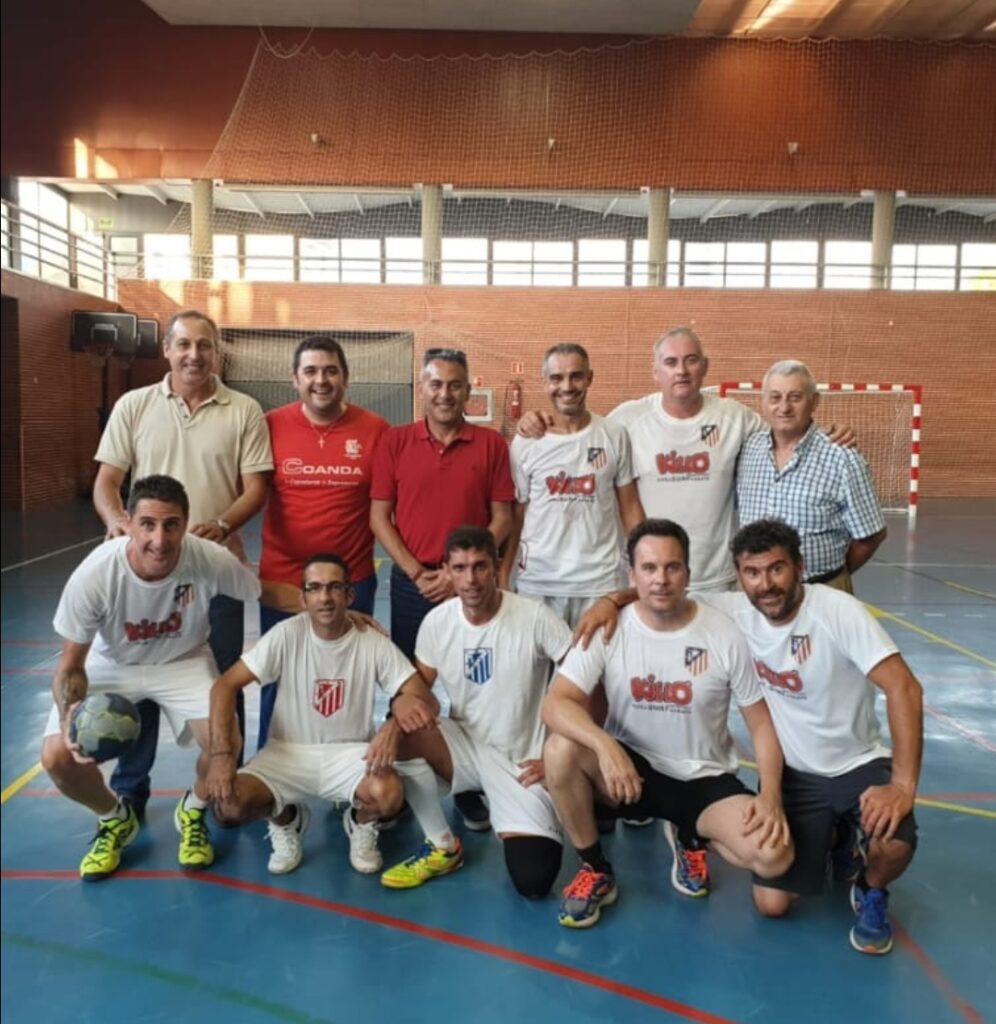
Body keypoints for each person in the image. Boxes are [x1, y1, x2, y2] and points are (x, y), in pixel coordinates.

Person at [542, 519, 793, 928]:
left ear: (688, 574)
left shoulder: (723, 633)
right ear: (633, 576)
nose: (661, 579)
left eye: (672, 568)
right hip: (633, 772)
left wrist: (771, 796)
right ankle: (594, 869)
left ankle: (690, 834)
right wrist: (605, 745)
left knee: (775, 855)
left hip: (703, 778)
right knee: (560, 748)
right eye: (650, 568)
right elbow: (555, 705)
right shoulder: (609, 627)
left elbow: (762, 726)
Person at [92, 309, 273, 814]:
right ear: (167, 350)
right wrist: (118, 522)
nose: (195, 354)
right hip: (145, 576)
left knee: (224, 679)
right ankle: (131, 789)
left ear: (218, 353)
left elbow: (256, 488)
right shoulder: (134, 405)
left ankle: (222, 783)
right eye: (184, 345)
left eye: (205, 346)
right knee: (144, 681)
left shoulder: (244, 410)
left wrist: (222, 524)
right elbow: (108, 482)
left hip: (214, 574)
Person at [40, 475, 261, 881]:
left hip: (184, 659)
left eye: (171, 524)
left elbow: (262, 591)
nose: (160, 539)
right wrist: (70, 712)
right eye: (148, 525)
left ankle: (191, 810)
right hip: (112, 664)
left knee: (225, 745)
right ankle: (114, 817)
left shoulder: (206, 557)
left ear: (186, 522)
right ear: (128, 522)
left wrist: (322, 605)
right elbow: (71, 664)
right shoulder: (96, 573)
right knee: (56, 756)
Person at [519, 326, 853, 593]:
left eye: (691, 360)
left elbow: (785, 432)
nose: (681, 370)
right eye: (671, 362)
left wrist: (824, 433)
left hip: (716, 580)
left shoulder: (736, 418)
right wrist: (536, 420)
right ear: (656, 372)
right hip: (652, 581)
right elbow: (579, 436)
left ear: (704, 367)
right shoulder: (626, 419)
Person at [722, 519, 921, 955]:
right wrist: (611, 600)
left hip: (858, 764)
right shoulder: (734, 611)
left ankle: (870, 888)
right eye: (752, 573)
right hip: (794, 775)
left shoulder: (837, 611)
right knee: (772, 905)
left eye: (776, 569)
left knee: (894, 838)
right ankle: (838, 837)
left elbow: (904, 688)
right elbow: (663, 597)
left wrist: (902, 787)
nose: (765, 584)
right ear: (739, 576)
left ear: (799, 566)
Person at [207, 553, 459, 877]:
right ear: (303, 597)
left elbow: (423, 698)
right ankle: (287, 821)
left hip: (349, 753)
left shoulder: (372, 643)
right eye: (314, 588)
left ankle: (360, 822)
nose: (324, 597)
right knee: (227, 805)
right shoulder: (286, 634)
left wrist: (393, 727)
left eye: (334, 588)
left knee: (389, 794)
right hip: (288, 752)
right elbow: (224, 687)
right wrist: (221, 755)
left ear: (349, 595)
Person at [380, 526, 572, 898]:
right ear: (447, 571)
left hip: (524, 763)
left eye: (480, 566)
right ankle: (442, 846)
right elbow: (420, 689)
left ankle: (524, 812)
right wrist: (398, 708)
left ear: (497, 566)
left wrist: (560, 757)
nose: (470, 579)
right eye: (460, 567)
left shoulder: (534, 617)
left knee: (534, 880)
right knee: (398, 736)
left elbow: (585, 683)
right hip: (467, 746)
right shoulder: (438, 622)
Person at [371, 347, 515, 830]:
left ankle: (468, 784)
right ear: (422, 388)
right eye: (436, 384)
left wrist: (461, 572)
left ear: (469, 390)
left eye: (455, 384)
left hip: (472, 586)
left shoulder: (491, 445)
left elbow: (502, 517)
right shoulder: (394, 442)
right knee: (409, 684)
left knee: (474, 685)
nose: (445, 393)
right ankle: (408, 781)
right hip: (414, 585)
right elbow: (379, 516)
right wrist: (416, 571)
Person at [257, 336, 390, 745]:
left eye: (330, 370)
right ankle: (268, 764)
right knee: (276, 678)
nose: (321, 380)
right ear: (295, 380)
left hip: (352, 582)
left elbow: (390, 503)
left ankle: (347, 765)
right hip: (282, 580)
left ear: (346, 378)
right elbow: (243, 489)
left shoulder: (375, 430)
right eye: (311, 371)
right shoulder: (270, 424)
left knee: (346, 679)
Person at [500, 343, 644, 628]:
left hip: (599, 583)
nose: (567, 386)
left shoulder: (614, 435)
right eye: (556, 378)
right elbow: (517, 514)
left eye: (576, 376)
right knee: (539, 672)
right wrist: (504, 574)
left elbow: (630, 508)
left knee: (593, 671)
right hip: (539, 581)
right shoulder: (527, 441)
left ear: (590, 378)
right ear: (544, 382)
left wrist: (642, 566)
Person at [736, 360, 887, 593]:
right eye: (775, 397)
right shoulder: (747, 450)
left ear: (814, 402)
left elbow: (871, 535)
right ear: (763, 403)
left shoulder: (842, 458)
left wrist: (834, 576)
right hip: (758, 594)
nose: (784, 407)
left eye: (795, 397)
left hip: (821, 590)